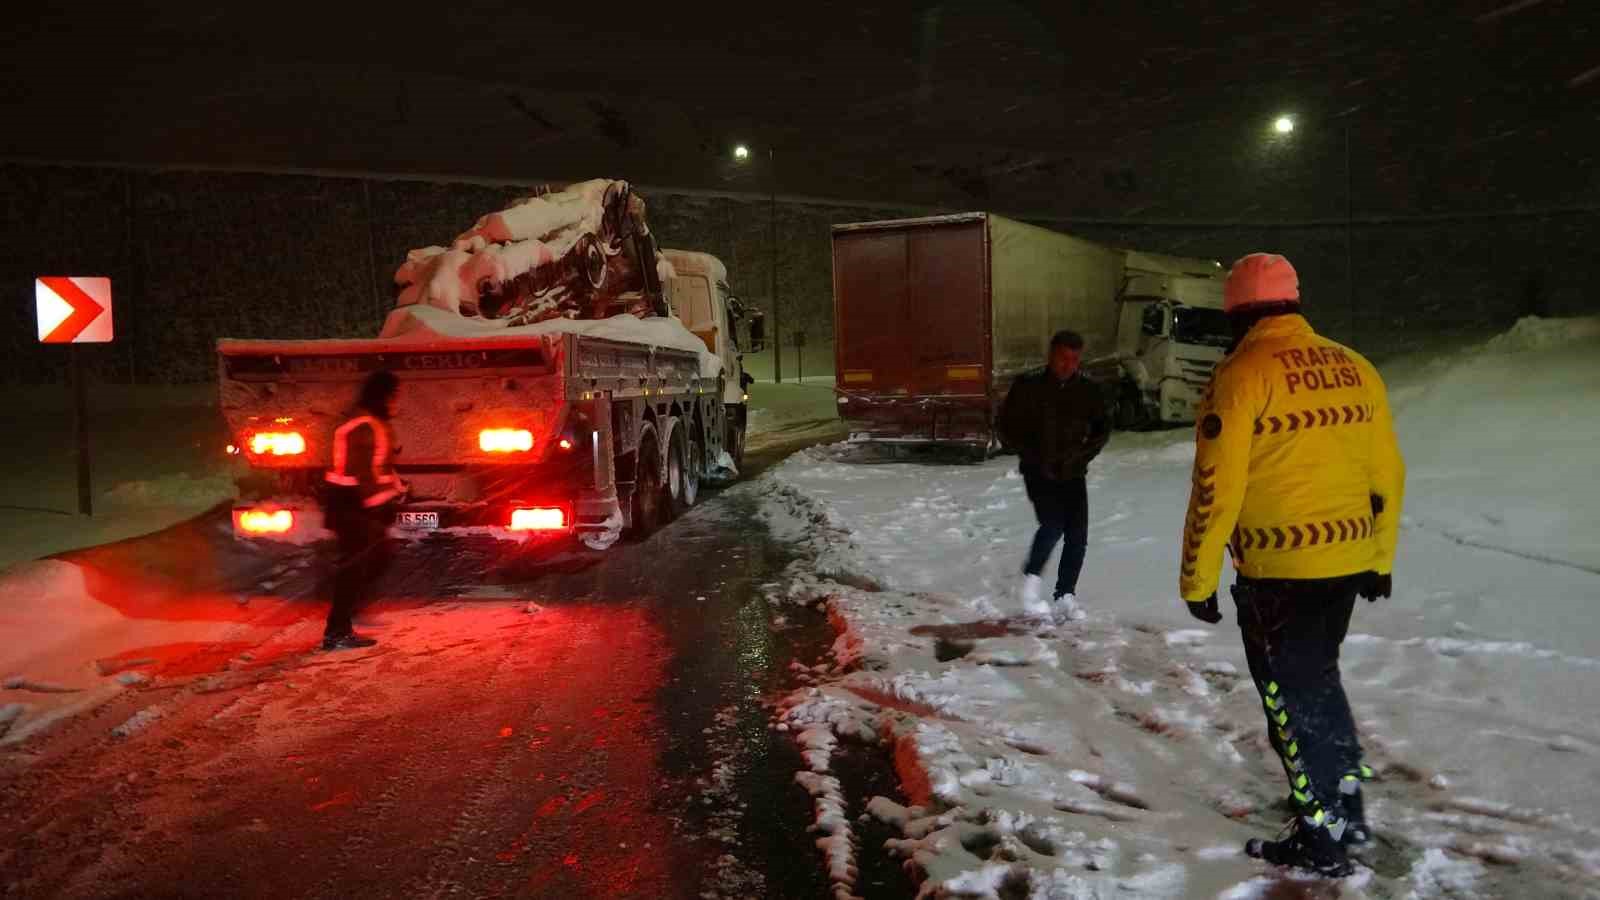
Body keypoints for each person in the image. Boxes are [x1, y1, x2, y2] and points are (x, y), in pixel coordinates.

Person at [1177, 253, 1405, 876]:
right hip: (1347, 564)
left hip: (1279, 571)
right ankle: (1346, 809)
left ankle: (1321, 838)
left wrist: (1197, 579)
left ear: (1239, 314)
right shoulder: (1356, 366)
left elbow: (1216, 491)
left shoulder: (1242, 374)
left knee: (1290, 700)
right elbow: (1386, 474)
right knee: (1320, 685)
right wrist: (1378, 556)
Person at [998, 329, 1111, 621]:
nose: (1068, 365)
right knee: (1053, 524)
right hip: (1039, 470)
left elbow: (1101, 431)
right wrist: (1032, 455)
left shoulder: (1088, 391)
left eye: (1075, 359)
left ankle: (1065, 595)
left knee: (1077, 535)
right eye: (1063, 358)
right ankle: (1029, 583)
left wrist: (1080, 457)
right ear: (1051, 356)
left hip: (1073, 472)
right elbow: (1005, 426)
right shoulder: (1028, 387)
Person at [320, 369, 407, 651]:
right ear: (382, 397)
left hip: (352, 505)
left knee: (373, 557)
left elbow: (380, 467)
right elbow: (363, 475)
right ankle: (337, 633)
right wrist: (378, 508)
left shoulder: (370, 422)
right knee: (353, 568)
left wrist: (398, 489)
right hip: (350, 505)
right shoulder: (364, 426)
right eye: (393, 397)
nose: (396, 403)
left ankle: (347, 617)